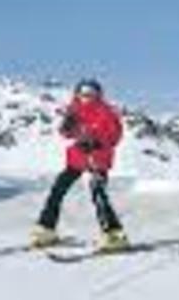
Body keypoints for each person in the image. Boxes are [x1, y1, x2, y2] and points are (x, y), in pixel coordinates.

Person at [31, 79, 127, 251]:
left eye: (91, 94)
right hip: (78, 158)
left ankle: (114, 234)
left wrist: (97, 142)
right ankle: (46, 228)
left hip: (98, 159)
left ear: (98, 95)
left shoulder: (106, 112)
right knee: (58, 189)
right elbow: (66, 133)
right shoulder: (75, 110)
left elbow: (115, 136)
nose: (86, 98)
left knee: (98, 194)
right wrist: (67, 127)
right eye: (83, 94)